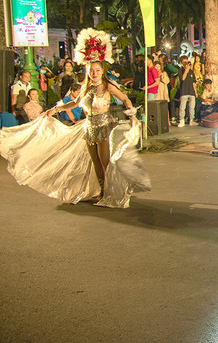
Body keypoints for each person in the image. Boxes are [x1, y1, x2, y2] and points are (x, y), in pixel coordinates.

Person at [1, 28, 148, 208]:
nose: (94, 73)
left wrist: (132, 115)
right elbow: (74, 104)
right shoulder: (85, 88)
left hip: (105, 126)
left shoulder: (107, 86)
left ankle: (111, 193)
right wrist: (54, 110)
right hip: (89, 128)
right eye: (91, 70)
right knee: (95, 164)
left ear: (102, 71)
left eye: (97, 70)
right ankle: (102, 193)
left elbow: (125, 99)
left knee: (105, 163)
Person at [177, 56, 198, 127]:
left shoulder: (191, 71)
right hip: (184, 90)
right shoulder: (180, 70)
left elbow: (194, 82)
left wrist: (195, 91)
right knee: (182, 106)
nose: (186, 63)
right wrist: (186, 69)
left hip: (191, 91)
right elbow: (183, 78)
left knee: (192, 107)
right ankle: (181, 120)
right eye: (184, 62)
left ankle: (191, 120)